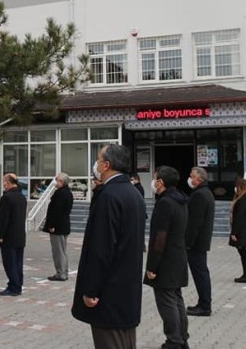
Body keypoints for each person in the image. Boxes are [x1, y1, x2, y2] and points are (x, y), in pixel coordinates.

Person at [72, 144, 146, 349]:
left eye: (97, 160)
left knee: (110, 341)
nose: (95, 165)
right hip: (127, 287)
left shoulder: (109, 196)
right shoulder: (133, 194)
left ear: (106, 165)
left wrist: (91, 290)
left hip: (109, 291)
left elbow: (101, 249)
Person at [144, 166, 189, 349]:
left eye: (154, 178)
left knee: (167, 302)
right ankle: (182, 338)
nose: (153, 182)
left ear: (161, 182)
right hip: (178, 256)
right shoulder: (181, 200)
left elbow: (159, 237)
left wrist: (152, 267)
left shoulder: (165, 203)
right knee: (176, 300)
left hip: (166, 260)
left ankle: (174, 341)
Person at [185, 167, 215, 317]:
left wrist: (188, 242)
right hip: (200, 241)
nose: (190, 179)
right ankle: (203, 303)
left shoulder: (200, 195)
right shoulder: (205, 192)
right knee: (201, 272)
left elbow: (194, 222)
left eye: (192, 176)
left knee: (200, 273)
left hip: (197, 242)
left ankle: (204, 305)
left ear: (199, 179)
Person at [0, 173, 27, 296]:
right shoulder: (22, 197)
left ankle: (14, 286)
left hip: (9, 236)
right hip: (19, 235)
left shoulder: (7, 198)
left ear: (9, 182)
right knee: (18, 262)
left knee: (10, 262)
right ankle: (18, 284)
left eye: (4, 182)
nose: (3, 184)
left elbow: (3, 218)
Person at [44, 172, 73, 281]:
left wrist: (52, 225)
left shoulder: (61, 194)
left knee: (58, 251)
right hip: (64, 225)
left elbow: (57, 211)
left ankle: (61, 273)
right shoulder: (67, 192)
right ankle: (63, 271)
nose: (55, 182)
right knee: (62, 250)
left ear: (62, 181)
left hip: (58, 227)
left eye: (57, 180)